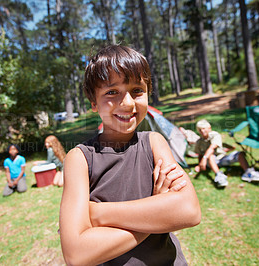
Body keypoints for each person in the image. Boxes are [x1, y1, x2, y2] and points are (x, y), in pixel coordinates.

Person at [59, 45, 201, 265]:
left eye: (137, 90)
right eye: (112, 92)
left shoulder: (154, 143)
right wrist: (157, 213)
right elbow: (77, 254)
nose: (127, 103)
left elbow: (189, 211)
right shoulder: (80, 159)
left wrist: (100, 214)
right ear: (94, 103)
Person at [194, 119, 259, 187]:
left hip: (221, 158)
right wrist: (199, 164)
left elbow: (212, 147)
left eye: (204, 128)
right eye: (200, 129)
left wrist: (204, 158)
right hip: (210, 161)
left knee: (240, 154)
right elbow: (200, 154)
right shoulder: (199, 142)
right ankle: (219, 176)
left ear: (209, 128)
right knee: (210, 155)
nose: (202, 131)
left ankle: (248, 173)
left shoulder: (215, 135)